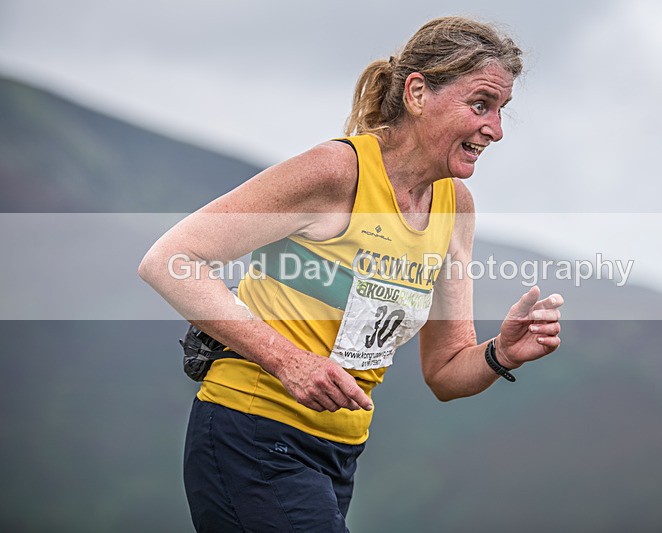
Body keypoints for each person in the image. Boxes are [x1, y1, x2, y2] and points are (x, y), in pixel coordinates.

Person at [139, 15, 563, 532]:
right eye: (480, 104)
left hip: (338, 455)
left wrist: (502, 353)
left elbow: (447, 371)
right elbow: (171, 261)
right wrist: (291, 362)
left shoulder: (456, 207)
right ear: (417, 93)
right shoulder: (336, 173)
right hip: (250, 432)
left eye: (501, 111)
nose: (495, 129)